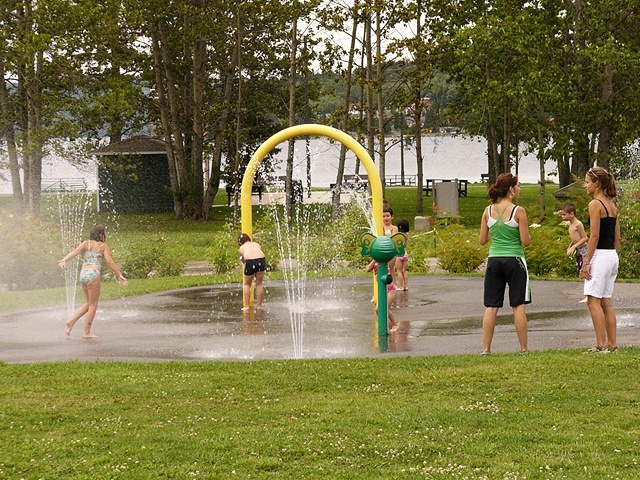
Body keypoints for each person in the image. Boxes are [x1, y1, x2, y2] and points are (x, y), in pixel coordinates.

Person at [479, 173, 531, 355]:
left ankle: (486, 349)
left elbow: (482, 240)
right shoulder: (519, 211)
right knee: (518, 305)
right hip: (515, 260)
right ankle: (524, 348)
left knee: (491, 306)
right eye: (518, 185)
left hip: (494, 260)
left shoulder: (487, 210)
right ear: (510, 189)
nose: (520, 189)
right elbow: (526, 241)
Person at [58, 224, 128, 339]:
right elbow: (109, 261)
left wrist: (64, 260)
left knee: (89, 304)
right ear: (101, 234)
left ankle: (71, 322)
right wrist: (120, 275)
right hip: (93, 274)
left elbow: (74, 252)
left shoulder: (86, 244)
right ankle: (86, 332)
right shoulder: (104, 246)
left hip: (83, 274)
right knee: (93, 305)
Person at [582, 167, 620, 354]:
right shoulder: (611, 204)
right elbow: (617, 237)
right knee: (606, 302)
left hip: (601, 255)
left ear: (596, 183)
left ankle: (600, 344)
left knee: (592, 301)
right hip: (612, 255)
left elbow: (594, 236)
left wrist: (587, 262)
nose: (585, 185)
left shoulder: (595, 204)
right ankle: (612, 345)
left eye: (587, 182)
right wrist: (615, 258)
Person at [560, 203, 589, 303]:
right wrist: (570, 246)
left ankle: (588, 295)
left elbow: (585, 238)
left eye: (564, 215)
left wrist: (574, 246)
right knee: (581, 272)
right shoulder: (571, 224)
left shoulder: (578, 224)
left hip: (584, 250)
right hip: (578, 250)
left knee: (585, 272)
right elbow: (575, 238)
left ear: (571, 214)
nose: (562, 217)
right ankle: (588, 294)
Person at [366, 259, 398, 332]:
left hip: (390, 289)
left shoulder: (385, 261)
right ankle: (385, 324)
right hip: (383, 289)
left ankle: (394, 324)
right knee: (378, 309)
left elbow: (391, 265)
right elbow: (368, 269)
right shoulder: (375, 261)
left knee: (385, 307)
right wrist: (374, 260)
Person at [238, 233, 266, 311]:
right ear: (249, 239)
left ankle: (247, 306)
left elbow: (243, 260)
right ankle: (259, 306)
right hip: (261, 259)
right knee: (259, 283)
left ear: (240, 243)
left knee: (247, 284)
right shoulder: (256, 244)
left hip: (250, 261)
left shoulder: (241, 248)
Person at [382, 207, 399, 285]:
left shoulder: (394, 228)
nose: (386, 218)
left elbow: (394, 238)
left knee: (391, 269)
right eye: (384, 216)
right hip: (381, 250)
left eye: (388, 216)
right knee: (381, 269)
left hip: (391, 251)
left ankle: (393, 286)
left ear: (392, 217)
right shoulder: (380, 227)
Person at [396, 218, 410, 291]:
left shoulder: (399, 235)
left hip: (399, 253)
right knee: (404, 270)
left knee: (399, 271)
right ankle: (406, 286)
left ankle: (401, 286)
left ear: (400, 227)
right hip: (405, 253)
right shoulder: (407, 234)